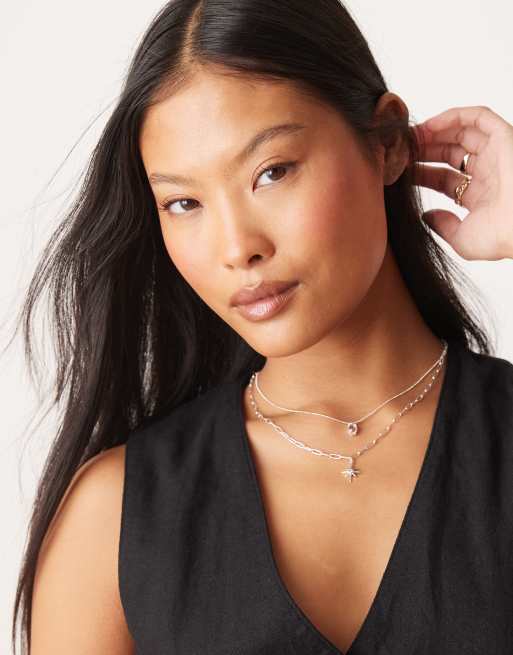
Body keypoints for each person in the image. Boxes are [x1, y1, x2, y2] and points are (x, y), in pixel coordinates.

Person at [10, 1, 513, 654]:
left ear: (387, 143)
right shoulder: (113, 516)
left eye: (271, 172)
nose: (236, 247)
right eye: (184, 202)